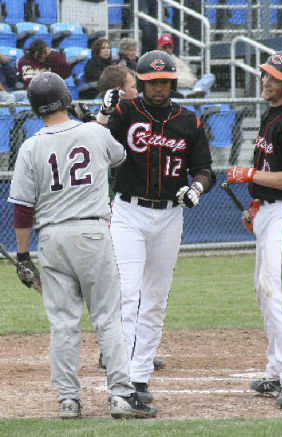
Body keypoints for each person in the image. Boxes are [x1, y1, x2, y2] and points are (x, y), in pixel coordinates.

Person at [7, 71, 157, 420]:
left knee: (62, 324)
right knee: (107, 318)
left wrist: (24, 256)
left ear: (34, 107)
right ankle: (120, 395)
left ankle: (68, 400)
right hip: (91, 233)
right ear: (66, 97)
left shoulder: (31, 146)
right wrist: (94, 118)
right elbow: (119, 157)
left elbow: (22, 209)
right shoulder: (92, 131)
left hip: (52, 239)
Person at [101, 50, 215, 402]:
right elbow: (95, 143)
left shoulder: (188, 120)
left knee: (155, 300)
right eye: (151, 82)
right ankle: (121, 377)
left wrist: (196, 188)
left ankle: (139, 377)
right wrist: (103, 114)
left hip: (169, 216)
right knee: (128, 294)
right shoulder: (125, 112)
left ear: (172, 82)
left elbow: (205, 169)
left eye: (164, 81)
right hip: (129, 212)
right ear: (143, 82)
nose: (158, 88)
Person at [226, 51, 282, 409]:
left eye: (273, 77)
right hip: (270, 211)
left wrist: (249, 176)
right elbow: (268, 169)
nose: (265, 80)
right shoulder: (272, 115)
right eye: (265, 74)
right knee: (265, 292)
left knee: (275, 291)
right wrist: (256, 203)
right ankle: (277, 372)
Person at [96, 64, 164, 371]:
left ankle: (131, 345)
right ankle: (111, 348)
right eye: (133, 87)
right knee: (121, 287)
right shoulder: (106, 122)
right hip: (110, 212)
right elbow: (98, 135)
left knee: (133, 287)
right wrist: (102, 112)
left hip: (119, 211)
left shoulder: (133, 120)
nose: (138, 91)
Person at [157, 34, 215, 98]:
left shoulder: (178, 60)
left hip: (191, 89)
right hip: (175, 92)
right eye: (164, 47)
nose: (167, 49)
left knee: (210, 76)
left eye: (170, 47)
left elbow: (191, 75)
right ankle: (194, 94)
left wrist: (193, 83)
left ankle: (196, 92)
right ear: (158, 48)